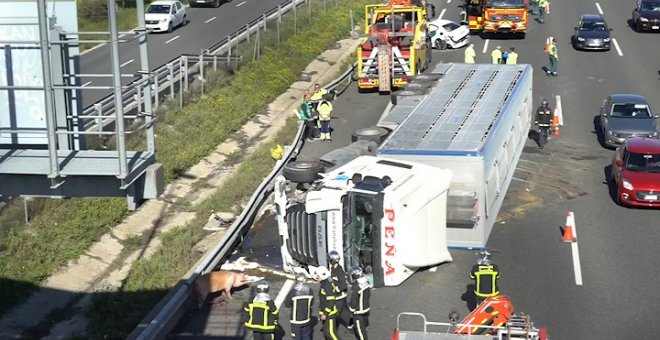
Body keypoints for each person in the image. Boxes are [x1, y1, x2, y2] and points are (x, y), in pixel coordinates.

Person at [286, 273, 314, 340]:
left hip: (296, 320)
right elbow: (312, 303)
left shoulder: (293, 292)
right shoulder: (310, 291)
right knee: (306, 336)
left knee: (296, 337)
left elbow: (287, 304)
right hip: (306, 319)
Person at [328, 250, 352, 330]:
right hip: (341, 296)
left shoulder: (339, 271)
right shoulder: (334, 269)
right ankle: (351, 323)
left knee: (337, 312)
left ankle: (332, 327)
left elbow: (343, 285)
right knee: (344, 311)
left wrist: (336, 290)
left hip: (339, 296)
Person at [315, 266, 340, 340]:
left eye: (318, 275)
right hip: (327, 312)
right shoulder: (325, 282)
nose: (316, 277)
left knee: (330, 333)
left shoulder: (326, 285)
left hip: (330, 314)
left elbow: (331, 302)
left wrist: (325, 313)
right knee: (326, 332)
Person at [349, 266, 371, 340]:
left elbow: (354, 300)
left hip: (358, 312)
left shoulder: (356, 286)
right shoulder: (366, 282)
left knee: (361, 334)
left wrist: (351, 309)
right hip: (366, 310)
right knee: (364, 330)